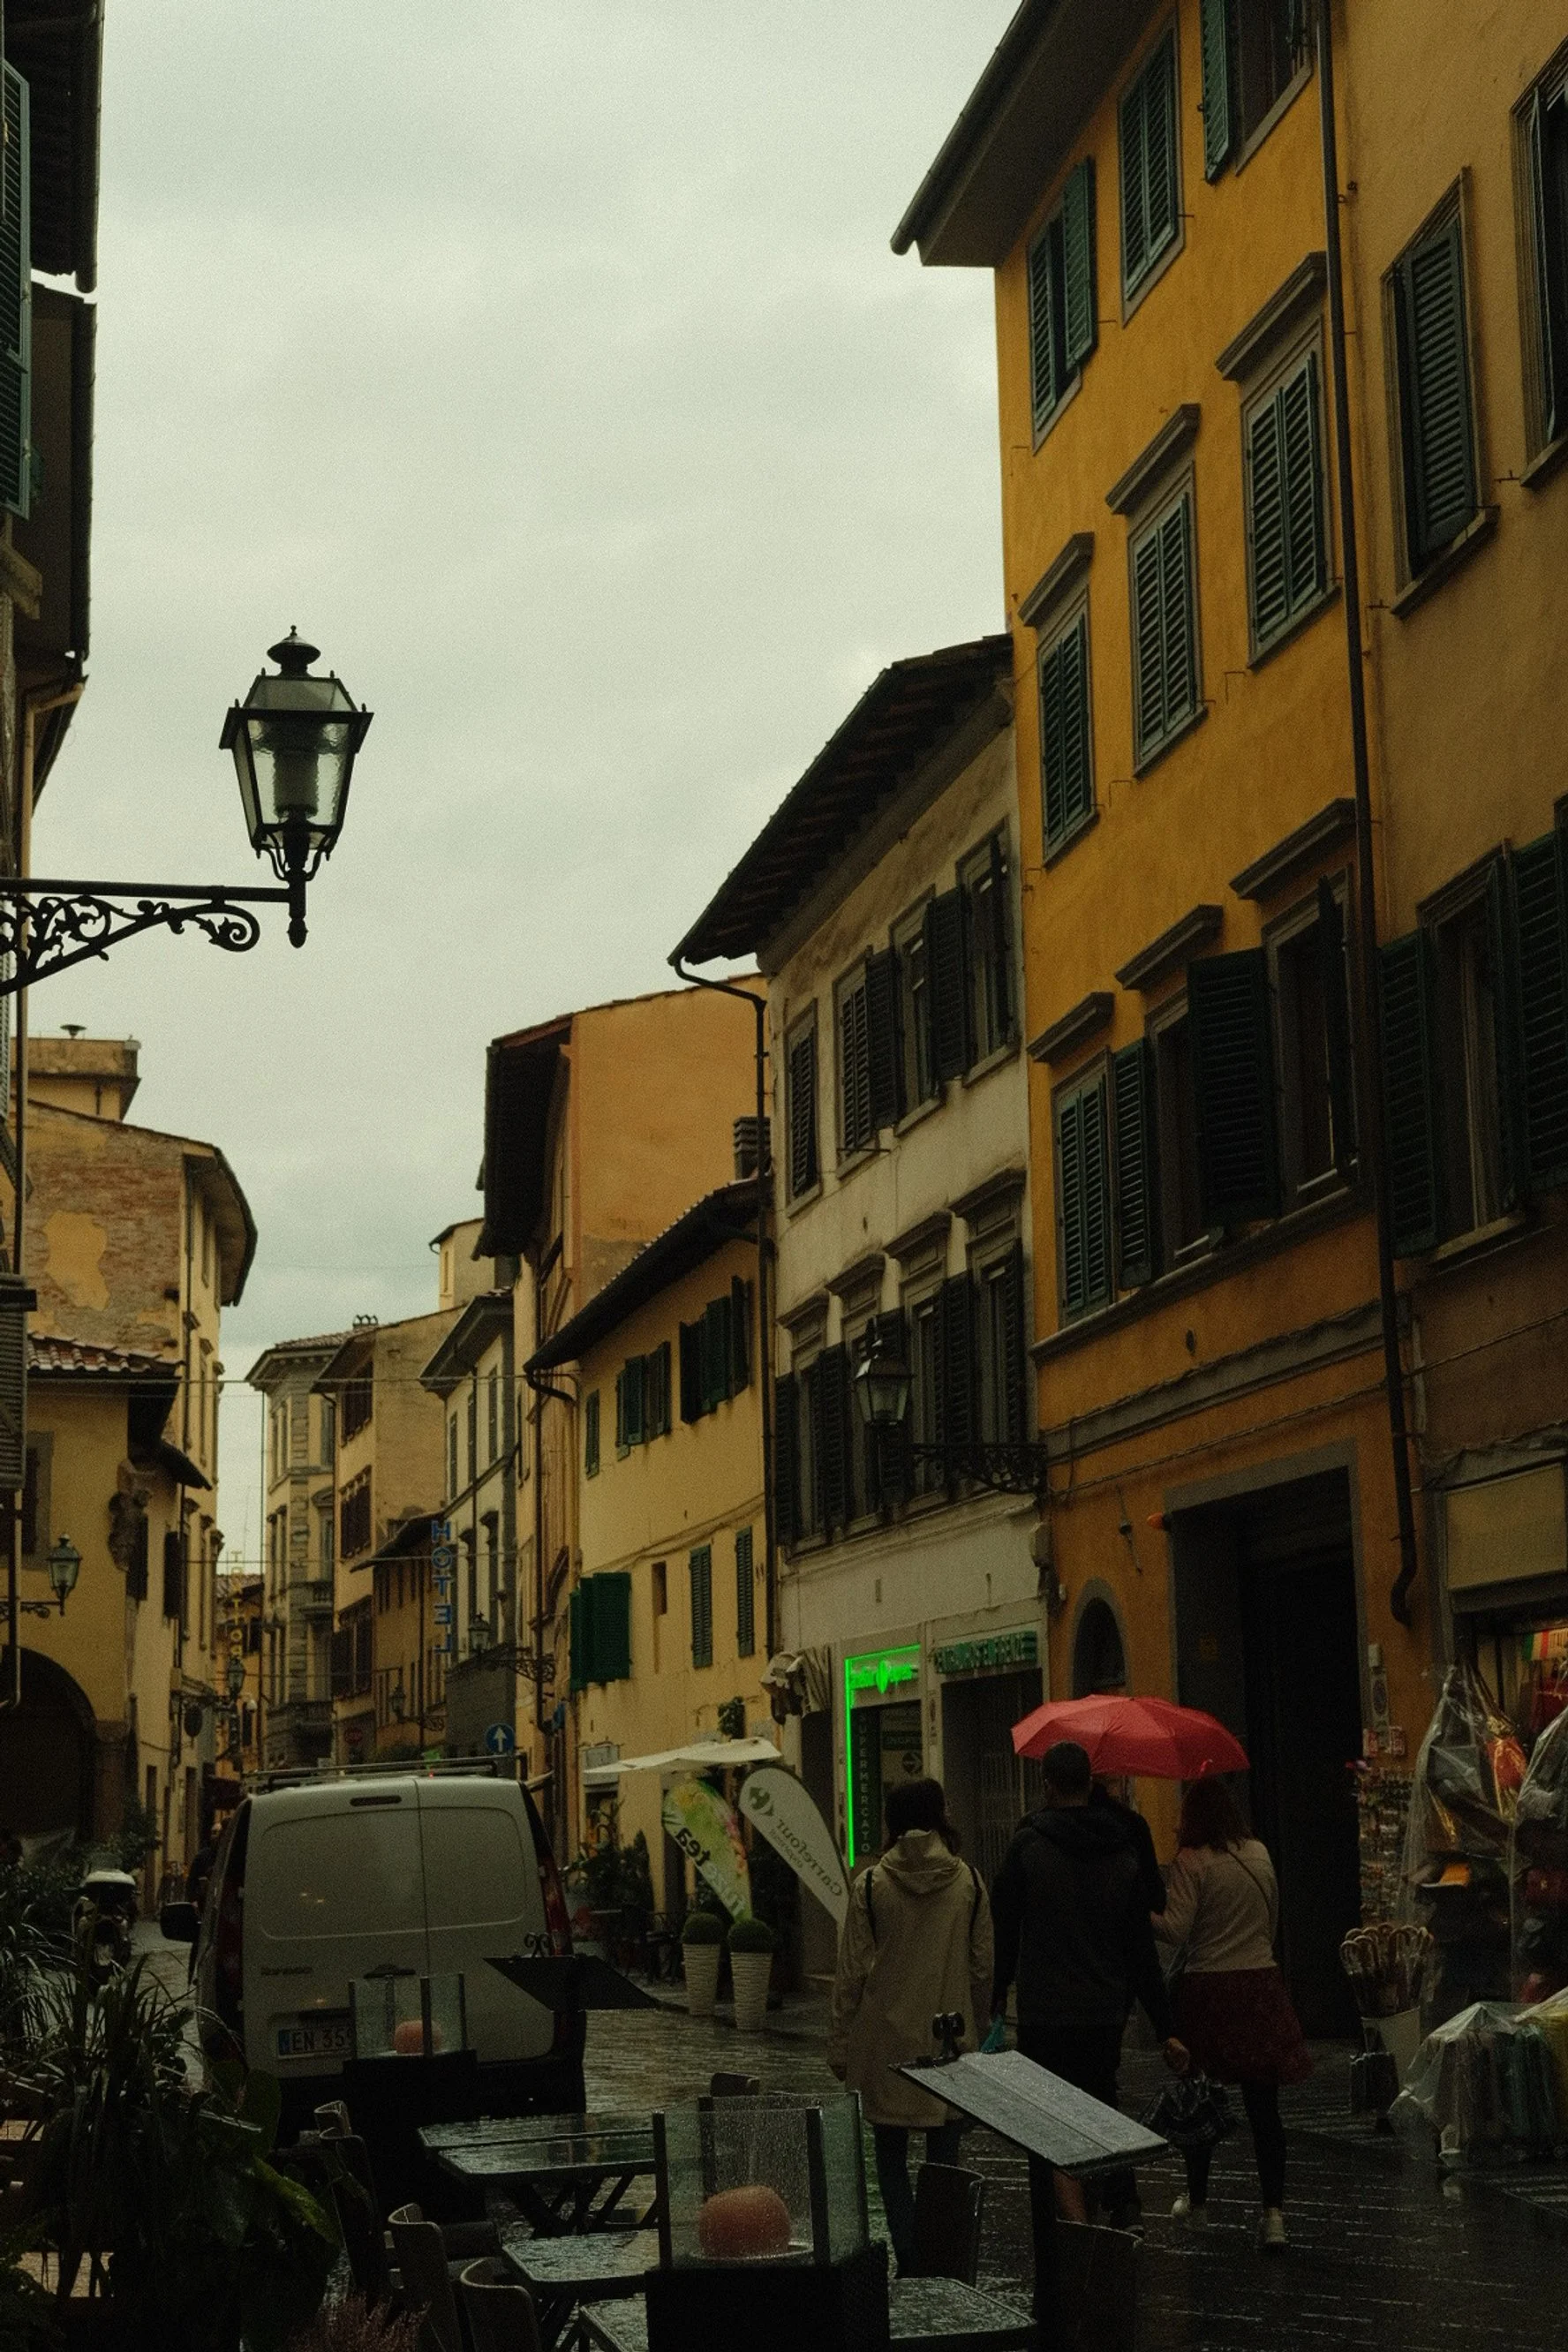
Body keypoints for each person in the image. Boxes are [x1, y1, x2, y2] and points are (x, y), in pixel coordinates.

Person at [991, 1738, 1186, 2280]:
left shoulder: (1028, 1846)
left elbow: (1007, 1930)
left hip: (1045, 2009)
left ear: (1049, 1786)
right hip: (1103, 2009)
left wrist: (997, 1996)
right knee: (1101, 2105)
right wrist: (1165, 2027)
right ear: (1090, 1784)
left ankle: (1059, 2228)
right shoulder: (1122, 1849)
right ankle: (1119, 2205)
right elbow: (1140, 1951)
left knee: (1044, 2122)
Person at [828, 1776, 992, 2273]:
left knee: (890, 2160)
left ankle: (910, 2257)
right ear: (939, 1816)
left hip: (888, 2045)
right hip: (949, 2042)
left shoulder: (872, 1884)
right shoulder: (969, 1882)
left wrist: (840, 2043)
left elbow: (851, 1973)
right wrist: (979, 2028)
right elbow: (982, 1967)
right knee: (944, 2162)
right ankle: (939, 2258)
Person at [1156, 1776, 1312, 2251]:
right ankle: (1274, 2216)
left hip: (1209, 1989)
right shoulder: (1259, 1853)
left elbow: (1176, 1930)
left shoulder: (1192, 1861)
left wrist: (1137, 1914)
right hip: (1260, 1984)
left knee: (1199, 2100)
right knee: (1265, 2108)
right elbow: (1272, 1919)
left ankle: (1198, 2202)